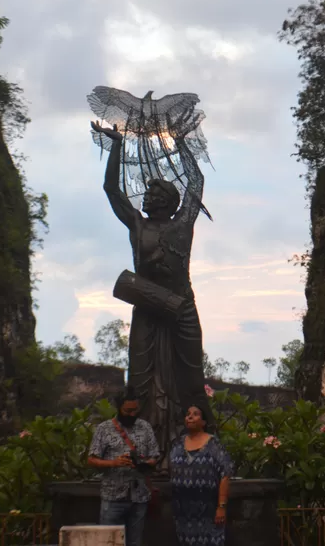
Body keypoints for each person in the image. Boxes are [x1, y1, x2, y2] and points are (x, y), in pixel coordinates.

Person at [91, 117, 214, 467]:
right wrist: (116, 145)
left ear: (166, 202)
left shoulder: (182, 224)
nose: (145, 196)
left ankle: (198, 443)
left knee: (190, 375)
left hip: (181, 308)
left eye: (152, 193)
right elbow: (112, 191)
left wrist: (182, 143)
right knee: (141, 376)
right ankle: (144, 447)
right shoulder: (137, 224)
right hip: (147, 305)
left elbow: (197, 181)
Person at [87, 387, 160, 546]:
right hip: (113, 497)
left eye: (135, 410)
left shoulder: (145, 427)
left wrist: (145, 463)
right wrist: (114, 463)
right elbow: (91, 460)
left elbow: (154, 456)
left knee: (135, 541)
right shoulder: (104, 429)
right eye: (128, 411)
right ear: (119, 408)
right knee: (109, 542)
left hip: (139, 496)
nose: (132, 414)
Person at [169, 404, 234, 546]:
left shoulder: (213, 444)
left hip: (208, 511)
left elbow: (225, 474)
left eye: (195, 414)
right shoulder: (178, 444)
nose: (190, 417)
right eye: (188, 414)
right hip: (182, 512)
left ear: (204, 422)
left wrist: (221, 507)